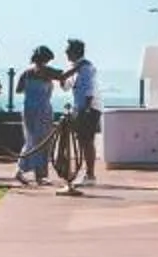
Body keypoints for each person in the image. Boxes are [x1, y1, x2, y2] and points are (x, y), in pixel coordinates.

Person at [13, 45, 66, 186]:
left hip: (28, 108)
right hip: (42, 110)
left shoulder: (26, 73)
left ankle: (21, 169)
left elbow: (18, 90)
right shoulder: (46, 71)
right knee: (42, 142)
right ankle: (40, 175)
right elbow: (62, 75)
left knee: (30, 140)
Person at [61, 38, 101, 188]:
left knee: (87, 141)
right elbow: (67, 86)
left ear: (75, 51)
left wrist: (86, 109)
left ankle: (90, 175)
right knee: (83, 141)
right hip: (81, 108)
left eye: (68, 50)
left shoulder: (86, 67)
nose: (66, 53)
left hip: (88, 108)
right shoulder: (75, 68)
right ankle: (87, 174)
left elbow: (89, 89)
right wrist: (62, 79)